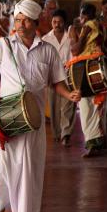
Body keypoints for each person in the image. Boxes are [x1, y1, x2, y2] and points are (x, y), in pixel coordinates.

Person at [0, 0, 80, 212]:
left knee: (31, 166)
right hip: (7, 119)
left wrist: (69, 94)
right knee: (4, 166)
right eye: (17, 19)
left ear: (36, 22)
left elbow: (56, 82)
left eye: (25, 20)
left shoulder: (47, 50)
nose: (20, 24)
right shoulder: (3, 45)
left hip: (35, 119)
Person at [70, 3, 107, 157]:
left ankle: (92, 144)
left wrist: (73, 36)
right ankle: (100, 141)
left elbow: (76, 50)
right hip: (99, 66)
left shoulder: (87, 26)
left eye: (81, 15)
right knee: (98, 105)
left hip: (88, 69)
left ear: (84, 15)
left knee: (86, 107)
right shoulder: (101, 26)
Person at [42, 9, 75, 146]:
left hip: (69, 75)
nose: (57, 24)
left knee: (68, 105)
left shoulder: (71, 37)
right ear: (51, 22)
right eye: (54, 22)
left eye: (60, 22)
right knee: (54, 106)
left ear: (64, 23)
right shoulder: (45, 39)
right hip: (52, 76)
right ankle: (56, 133)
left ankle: (66, 134)